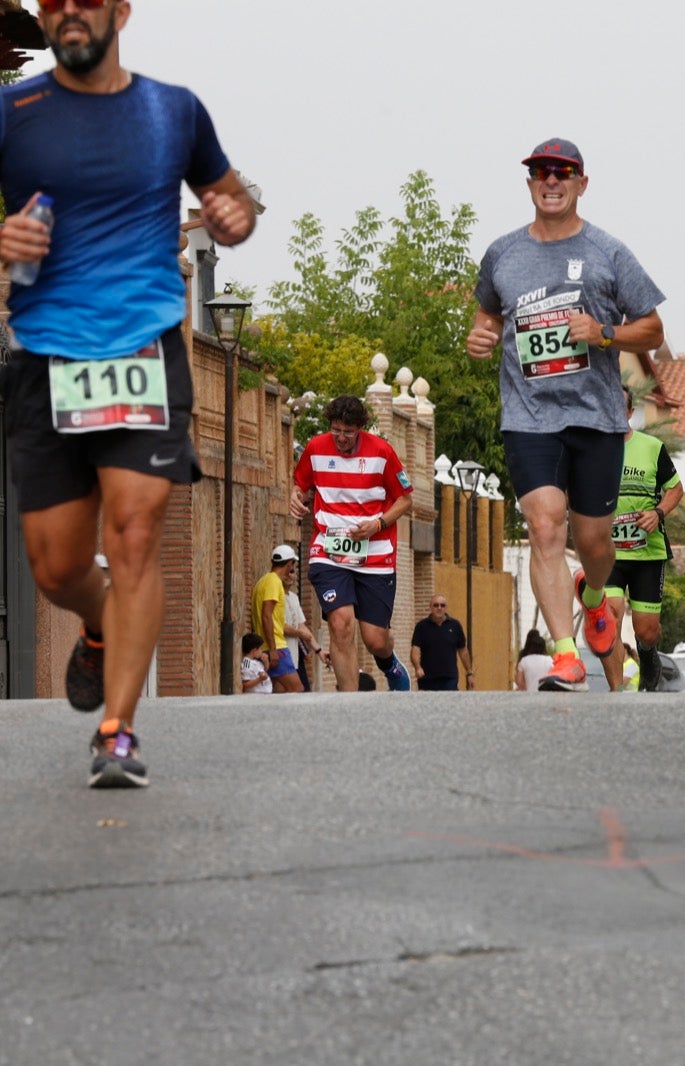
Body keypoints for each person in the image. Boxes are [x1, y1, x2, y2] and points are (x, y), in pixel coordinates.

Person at [0, 0, 257, 786]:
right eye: (53, 2)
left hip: (144, 348)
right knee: (55, 566)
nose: (67, 11)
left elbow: (235, 207)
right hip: (46, 355)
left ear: (120, 11)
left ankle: (116, 732)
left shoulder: (172, 112)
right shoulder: (15, 110)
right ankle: (99, 624)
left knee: (138, 534)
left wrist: (232, 215)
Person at [467, 137, 666, 692]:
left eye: (563, 173)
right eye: (540, 173)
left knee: (596, 543)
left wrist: (603, 332)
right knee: (544, 524)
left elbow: (652, 328)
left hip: (596, 418)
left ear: (582, 183)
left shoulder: (608, 252)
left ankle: (596, 599)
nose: (551, 181)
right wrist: (480, 339)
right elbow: (486, 318)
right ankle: (563, 654)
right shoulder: (502, 253)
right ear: (529, 182)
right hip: (529, 417)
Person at [289, 395, 415, 692]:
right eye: (336, 430)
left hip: (375, 553)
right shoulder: (315, 448)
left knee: (375, 639)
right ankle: (349, 702)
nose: (341, 438)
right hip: (329, 550)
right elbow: (300, 484)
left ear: (361, 428)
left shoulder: (382, 452)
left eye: (348, 432)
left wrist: (378, 524)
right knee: (341, 623)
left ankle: (390, 663)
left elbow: (405, 499)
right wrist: (295, 496)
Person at [598, 386, 682, 692]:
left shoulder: (652, 447)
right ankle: (616, 690)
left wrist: (657, 513)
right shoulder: (591, 449)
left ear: (630, 413)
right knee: (611, 614)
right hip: (607, 554)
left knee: (646, 630)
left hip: (647, 553)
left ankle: (647, 653)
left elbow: (675, 489)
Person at [251, 545, 306, 693]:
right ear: (289, 564)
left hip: (265, 645)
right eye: (293, 565)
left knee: (279, 690)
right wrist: (273, 650)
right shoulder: (274, 582)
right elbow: (266, 615)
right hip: (276, 646)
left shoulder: (262, 581)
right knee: (297, 689)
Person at [409, 595, 474, 691]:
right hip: (427, 678)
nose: (439, 608)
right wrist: (417, 667)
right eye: (436, 605)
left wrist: (469, 673)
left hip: (449, 678)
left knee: (451, 704)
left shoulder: (455, 625)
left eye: (442, 605)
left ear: (446, 608)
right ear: (430, 607)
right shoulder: (421, 627)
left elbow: (463, 651)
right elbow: (415, 649)